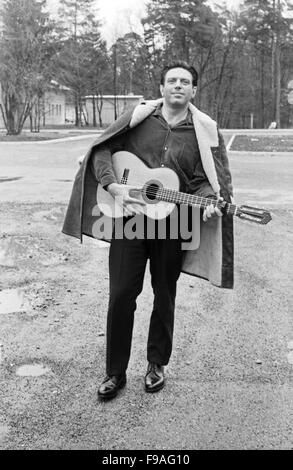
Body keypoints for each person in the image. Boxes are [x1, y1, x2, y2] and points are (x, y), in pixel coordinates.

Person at [62, 61, 234, 400]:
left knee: (165, 295)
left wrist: (210, 201)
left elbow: (202, 182)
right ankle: (115, 372)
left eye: (185, 82)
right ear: (162, 88)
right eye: (172, 80)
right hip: (130, 220)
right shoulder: (138, 119)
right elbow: (102, 150)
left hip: (175, 222)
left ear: (194, 91)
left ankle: (157, 364)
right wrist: (112, 186)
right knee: (122, 294)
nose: (178, 86)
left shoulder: (203, 132)